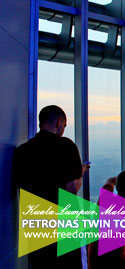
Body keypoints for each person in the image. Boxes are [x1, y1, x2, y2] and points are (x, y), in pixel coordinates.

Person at [14, 105, 89, 268]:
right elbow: (72, 188)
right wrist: (81, 172)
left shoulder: (21, 151)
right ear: (58, 122)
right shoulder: (66, 146)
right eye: (64, 125)